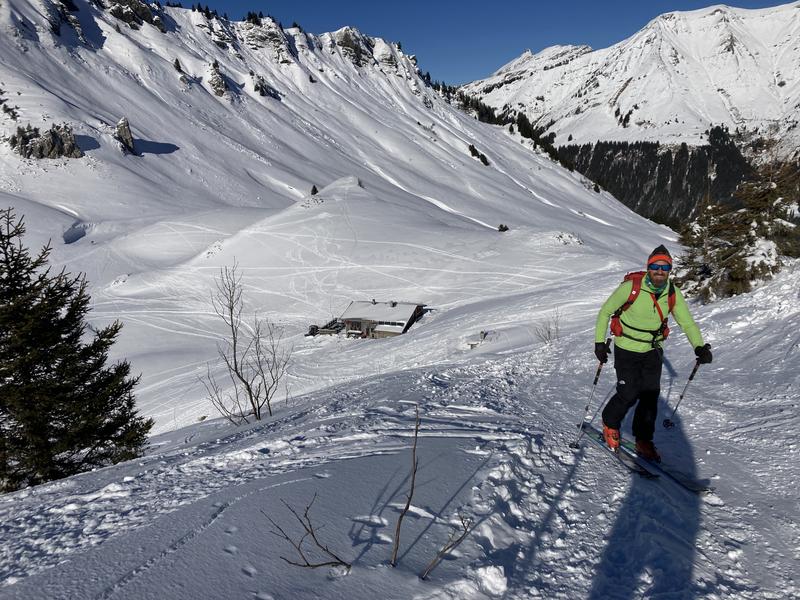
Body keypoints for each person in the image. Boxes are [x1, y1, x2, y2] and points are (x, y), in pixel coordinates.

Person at [594, 245, 712, 461]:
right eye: (655, 266)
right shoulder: (632, 288)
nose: (660, 270)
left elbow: (687, 323)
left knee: (649, 397)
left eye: (664, 266)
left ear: (669, 270)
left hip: (653, 351)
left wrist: (699, 346)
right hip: (626, 348)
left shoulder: (672, 293)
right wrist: (599, 344)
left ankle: (643, 439)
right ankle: (610, 423)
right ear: (649, 268)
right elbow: (605, 312)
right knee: (628, 393)